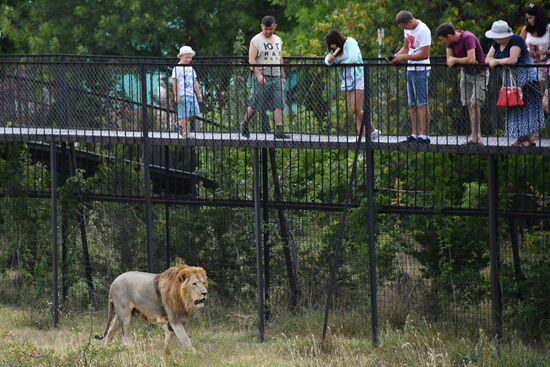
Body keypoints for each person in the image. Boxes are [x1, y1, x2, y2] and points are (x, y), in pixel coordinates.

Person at [485, 20, 545, 147]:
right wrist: (493, 61)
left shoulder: (516, 40)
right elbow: (488, 58)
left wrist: (496, 61)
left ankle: (531, 138)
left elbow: (513, 59)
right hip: (511, 80)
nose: (495, 38)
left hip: (527, 78)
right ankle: (521, 138)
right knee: (514, 106)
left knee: (528, 105)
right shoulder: (497, 43)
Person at [436, 23, 489, 145]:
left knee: (475, 104)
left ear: (449, 36)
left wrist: (457, 59)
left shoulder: (467, 37)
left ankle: (477, 136)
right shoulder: (450, 42)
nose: (443, 42)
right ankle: (474, 135)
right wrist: (461, 60)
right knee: (469, 105)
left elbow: (471, 58)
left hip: (480, 73)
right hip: (466, 73)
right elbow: (449, 60)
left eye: (443, 39)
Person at [324, 29, 379, 138]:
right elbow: (327, 60)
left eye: (333, 44)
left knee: (356, 108)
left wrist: (339, 62)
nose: (332, 47)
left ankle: (372, 129)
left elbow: (353, 58)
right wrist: (330, 60)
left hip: (358, 77)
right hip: (347, 80)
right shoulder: (335, 50)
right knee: (353, 110)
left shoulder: (350, 42)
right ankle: (361, 136)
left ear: (337, 40)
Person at [240, 15, 289, 139]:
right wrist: (258, 75)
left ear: (275, 27)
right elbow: (251, 59)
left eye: (270, 29)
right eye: (265, 29)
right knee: (255, 103)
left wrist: (283, 75)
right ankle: (244, 123)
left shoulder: (278, 39)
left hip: (276, 75)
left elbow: (280, 58)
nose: (268, 31)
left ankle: (279, 130)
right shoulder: (256, 40)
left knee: (279, 102)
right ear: (262, 26)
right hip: (262, 75)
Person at [391, 10, 432, 144]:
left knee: (422, 102)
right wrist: (396, 57)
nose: (405, 30)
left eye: (405, 27)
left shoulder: (423, 30)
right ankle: (414, 134)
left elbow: (425, 54)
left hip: (421, 69)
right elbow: (406, 48)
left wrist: (405, 57)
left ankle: (424, 135)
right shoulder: (407, 30)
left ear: (410, 22)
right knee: (412, 104)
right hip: (410, 69)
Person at [171, 46, 203, 136]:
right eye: (186, 57)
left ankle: (180, 123)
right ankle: (184, 131)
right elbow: (175, 82)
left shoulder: (191, 68)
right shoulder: (177, 68)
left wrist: (199, 93)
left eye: (190, 57)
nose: (189, 59)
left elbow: (195, 82)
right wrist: (176, 95)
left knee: (194, 112)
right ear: (181, 57)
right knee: (184, 113)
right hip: (182, 94)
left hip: (191, 94)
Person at [520, 3, 550, 88]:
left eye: (531, 18)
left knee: (541, 93)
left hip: (544, 66)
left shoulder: (548, 28)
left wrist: (545, 52)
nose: (529, 20)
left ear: (538, 17)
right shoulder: (525, 30)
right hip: (528, 66)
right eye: (527, 18)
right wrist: (527, 52)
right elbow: (518, 47)